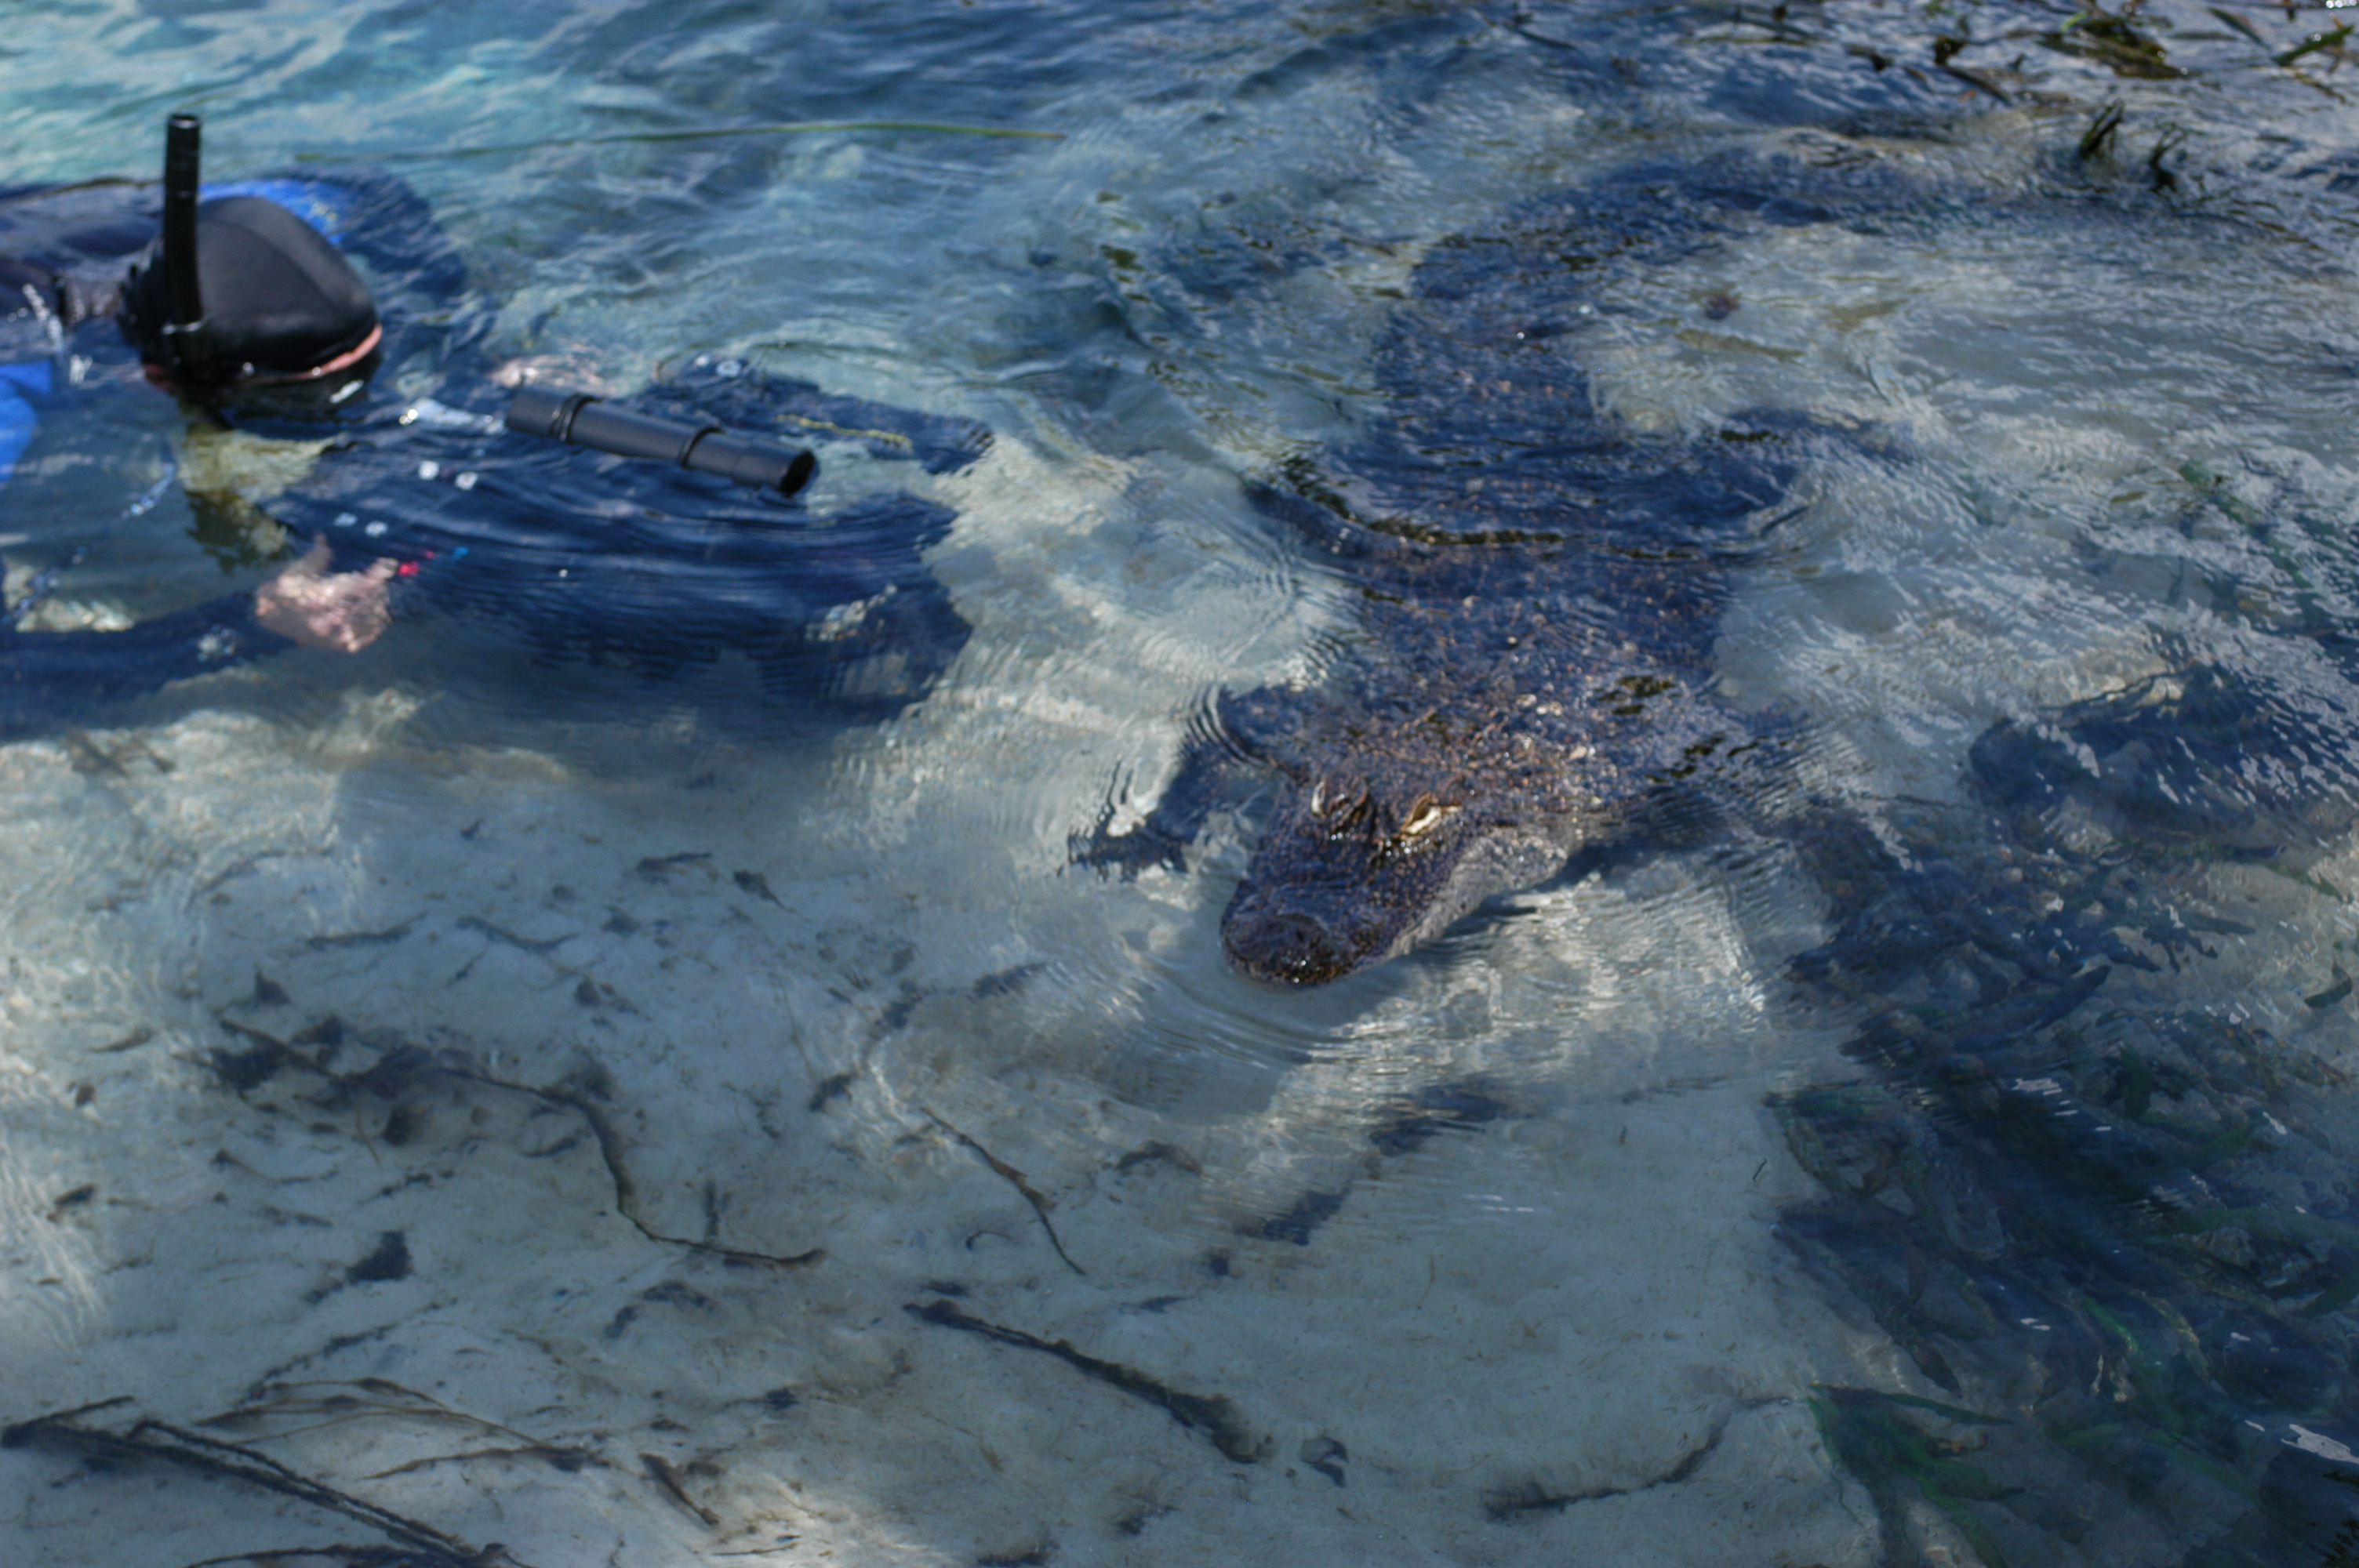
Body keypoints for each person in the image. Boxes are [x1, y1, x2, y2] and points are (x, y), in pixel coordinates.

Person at [0, 117, 987, 738]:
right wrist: (236, 622)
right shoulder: (20, 386)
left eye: (370, 367)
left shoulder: (284, 217)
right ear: (154, 375)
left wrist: (480, 352)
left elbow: (376, 190)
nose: (355, 409)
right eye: (313, 402)